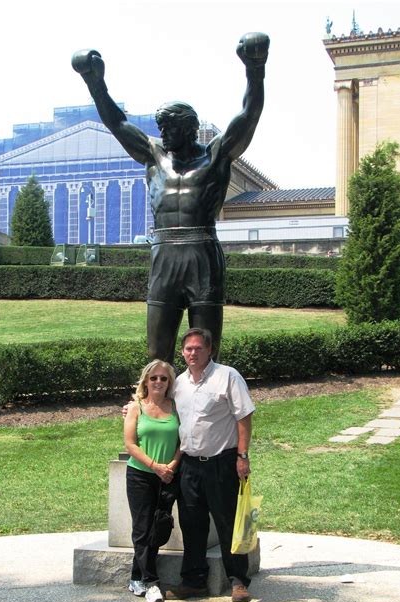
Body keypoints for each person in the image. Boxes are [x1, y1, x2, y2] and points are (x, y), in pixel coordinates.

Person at [72, 32, 269, 363]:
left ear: (189, 128)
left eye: (169, 128)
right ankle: (158, 414)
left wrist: (255, 68)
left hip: (202, 254)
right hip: (163, 256)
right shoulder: (153, 156)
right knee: (156, 355)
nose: (162, 133)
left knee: (206, 354)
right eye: (161, 127)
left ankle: (207, 413)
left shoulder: (216, 155)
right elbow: (118, 122)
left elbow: (249, 114)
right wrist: (95, 83)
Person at [165, 327, 256, 602]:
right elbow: (157, 405)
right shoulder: (179, 382)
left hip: (222, 463)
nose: (192, 353)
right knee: (192, 524)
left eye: (198, 348)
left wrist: (242, 456)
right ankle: (194, 581)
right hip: (190, 466)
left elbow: (244, 416)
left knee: (228, 522)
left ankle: (238, 581)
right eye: (188, 349)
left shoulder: (227, 376)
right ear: (182, 352)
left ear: (210, 350)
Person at [123, 359, 181, 602]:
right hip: (141, 475)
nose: (158, 382)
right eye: (154, 377)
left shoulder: (176, 407)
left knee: (159, 526)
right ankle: (151, 582)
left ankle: (136, 576)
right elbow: (130, 444)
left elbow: (183, 442)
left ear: (170, 383)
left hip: (168, 475)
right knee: (142, 528)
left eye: (164, 378)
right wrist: (154, 466)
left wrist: (171, 466)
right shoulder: (136, 407)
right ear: (146, 381)